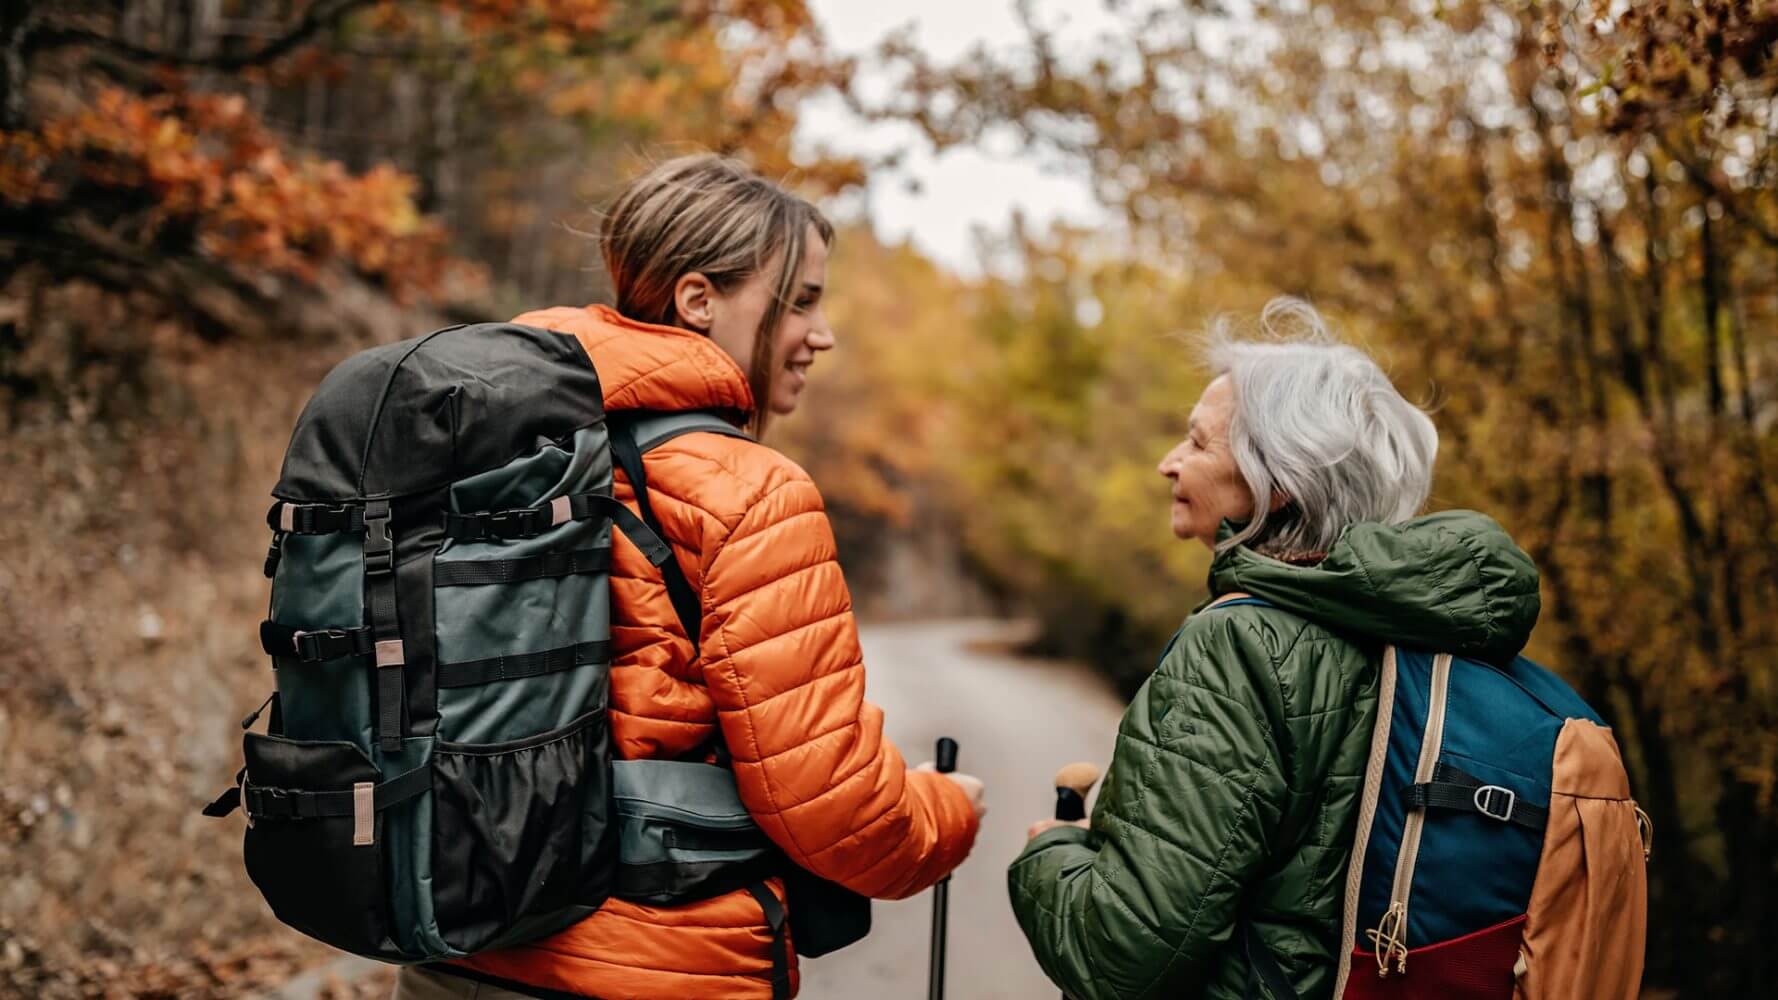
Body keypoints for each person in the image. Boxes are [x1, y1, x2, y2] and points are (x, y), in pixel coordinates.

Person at [396, 154, 985, 1000]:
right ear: (698, 299)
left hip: (451, 949)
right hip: (656, 972)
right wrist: (946, 812)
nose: (821, 334)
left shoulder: (497, 452)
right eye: (803, 301)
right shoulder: (748, 491)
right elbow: (834, 809)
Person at [1008, 299, 1541, 999]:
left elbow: (1127, 953)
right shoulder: (1438, 635)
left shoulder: (1239, 645)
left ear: (1277, 483)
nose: (1169, 463)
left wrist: (1050, 851)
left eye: (1197, 444)